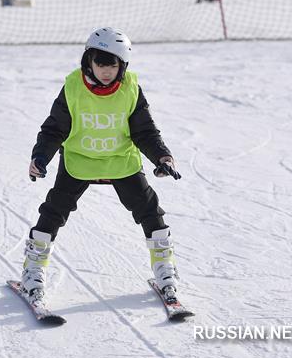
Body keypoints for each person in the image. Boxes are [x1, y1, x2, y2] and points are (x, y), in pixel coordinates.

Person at [21, 27, 182, 305]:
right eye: (100, 64)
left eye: (113, 65)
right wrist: (40, 157)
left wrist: (162, 157)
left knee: (149, 211)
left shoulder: (130, 89)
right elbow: (54, 130)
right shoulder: (73, 88)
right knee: (53, 212)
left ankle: (165, 272)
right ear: (89, 62)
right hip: (79, 162)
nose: (106, 71)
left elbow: (145, 131)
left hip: (120, 162)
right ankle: (32, 272)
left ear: (122, 66)